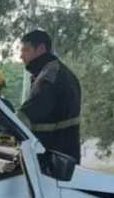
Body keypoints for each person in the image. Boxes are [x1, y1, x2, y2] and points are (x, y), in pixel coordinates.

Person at [17, 30, 82, 162]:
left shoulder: (50, 76)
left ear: (41, 49)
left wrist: (5, 127)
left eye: (26, 50)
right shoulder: (53, 71)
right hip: (61, 156)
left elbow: (28, 115)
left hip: (54, 159)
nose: (21, 56)